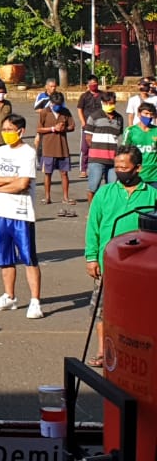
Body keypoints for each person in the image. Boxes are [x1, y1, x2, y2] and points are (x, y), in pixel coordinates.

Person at [83, 146, 154, 367]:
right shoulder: (105, 193)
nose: (119, 171)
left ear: (138, 168)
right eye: (116, 167)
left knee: (140, 313)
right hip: (108, 265)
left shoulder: (153, 195)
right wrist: (91, 257)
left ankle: (137, 354)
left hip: (140, 268)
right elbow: (92, 226)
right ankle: (104, 352)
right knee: (103, 311)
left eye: (124, 167)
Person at [0, 114, 43, 319]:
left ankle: (35, 301)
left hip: (22, 213)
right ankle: (10, 296)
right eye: (4, 129)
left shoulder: (28, 153)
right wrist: (8, 180)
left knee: (28, 258)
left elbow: (22, 184)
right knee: (4, 257)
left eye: (10, 129)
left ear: (21, 131)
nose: (6, 133)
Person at [37, 92, 76, 210]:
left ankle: (65, 197)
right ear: (51, 102)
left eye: (60, 104)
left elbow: (72, 126)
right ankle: (47, 197)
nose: (58, 106)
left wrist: (65, 128)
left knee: (64, 173)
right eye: (55, 104)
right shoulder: (44, 112)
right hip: (48, 148)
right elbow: (39, 129)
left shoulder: (65, 112)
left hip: (63, 148)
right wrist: (53, 129)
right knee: (48, 173)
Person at [83, 91, 125, 202]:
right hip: (96, 159)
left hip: (112, 160)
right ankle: (92, 213)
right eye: (107, 103)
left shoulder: (119, 118)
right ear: (102, 103)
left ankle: (108, 212)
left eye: (112, 103)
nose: (110, 105)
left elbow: (118, 136)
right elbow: (88, 138)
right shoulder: (94, 117)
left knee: (112, 188)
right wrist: (97, 150)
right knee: (93, 187)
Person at [121, 102, 157, 184]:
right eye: (146, 113)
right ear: (139, 114)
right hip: (136, 174)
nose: (148, 116)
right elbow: (124, 152)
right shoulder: (130, 131)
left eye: (151, 114)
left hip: (154, 175)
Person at [78, 76, 104, 177]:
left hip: (100, 125)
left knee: (99, 148)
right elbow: (80, 109)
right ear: (88, 85)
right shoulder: (84, 96)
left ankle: (100, 170)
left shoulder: (103, 95)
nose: (94, 85)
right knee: (85, 148)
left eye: (95, 83)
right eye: (91, 83)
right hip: (87, 125)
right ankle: (83, 170)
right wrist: (83, 122)